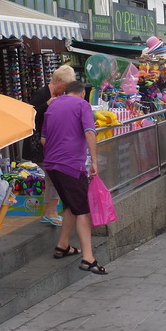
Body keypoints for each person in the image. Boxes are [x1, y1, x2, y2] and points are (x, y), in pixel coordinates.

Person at [41, 80, 106, 274]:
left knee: (71, 205)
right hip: (70, 166)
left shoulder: (52, 105)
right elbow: (90, 133)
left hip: (51, 165)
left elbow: (43, 139)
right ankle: (88, 258)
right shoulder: (82, 105)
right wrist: (94, 161)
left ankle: (62, 245)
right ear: (82, 94)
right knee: (83, 210)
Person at [27, 65, 77, 226]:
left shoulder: (57, 95)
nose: (66, 90)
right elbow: (30, 115)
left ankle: (48, 213)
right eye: (66, 86)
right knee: (56, 176)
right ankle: (51, 212)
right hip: (37, 146)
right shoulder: (42, 94)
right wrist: (47, 104)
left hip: (48, 144)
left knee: (51, 178)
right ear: (58, 80)